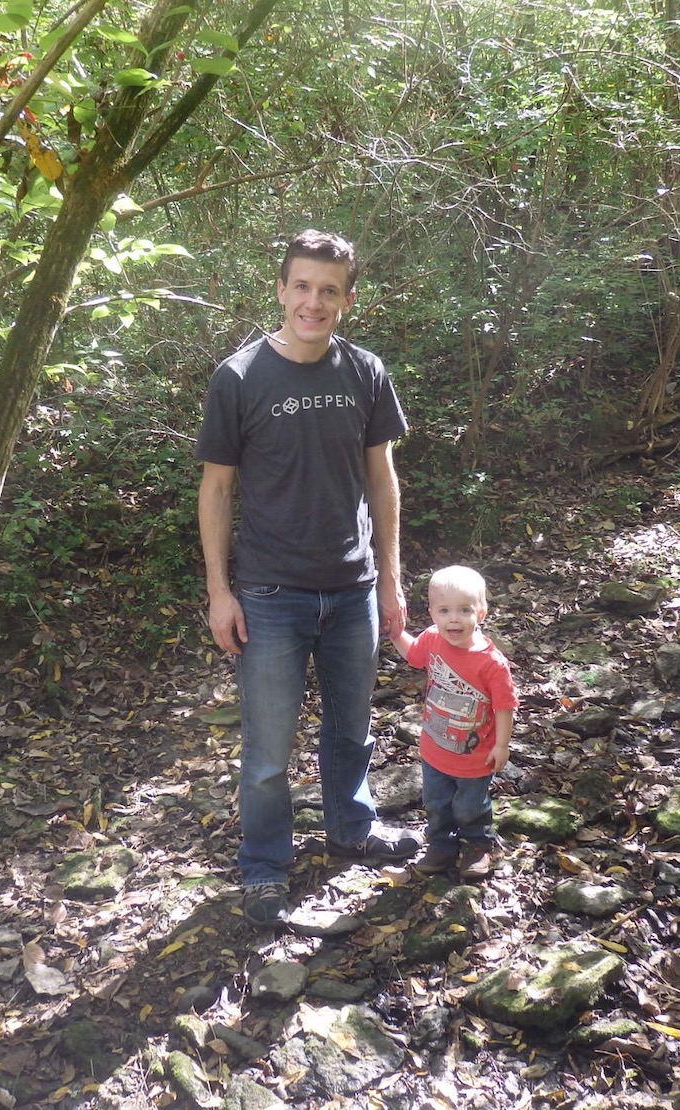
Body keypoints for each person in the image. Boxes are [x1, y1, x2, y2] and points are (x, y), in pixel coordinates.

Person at [196, 229, 420, 928]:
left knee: (351, 732)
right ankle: (265, 865)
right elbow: (216, 491)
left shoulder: (364, 372)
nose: (313, 302)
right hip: (270, 593)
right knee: (267, 749)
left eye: (329, 291)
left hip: (352, 589)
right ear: (281, 289)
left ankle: (353, 828)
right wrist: (219, 591)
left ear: (348, 300)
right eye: (302, 286)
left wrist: (391, 580)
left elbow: (381, 481)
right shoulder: (238, 377)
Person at [391, 565, 517, 880]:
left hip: (474, 755)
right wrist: (395, 633)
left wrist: (502, 745)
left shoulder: (491, 663)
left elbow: (504, 706)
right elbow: (414, 656)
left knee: (470, 806)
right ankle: (441, 846)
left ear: (482, 613)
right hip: (435, 747)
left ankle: (477, 845)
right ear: (432, 612)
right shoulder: (433, 639)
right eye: (444, 610)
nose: (454, 619)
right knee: (436, 802)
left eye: (464, 610)